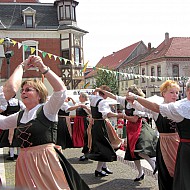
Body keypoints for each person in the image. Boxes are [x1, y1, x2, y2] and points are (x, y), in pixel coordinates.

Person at [0, 55, 89, 190]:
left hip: (45, 161)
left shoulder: (47, 109)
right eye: (22, 90)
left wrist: (43, 68)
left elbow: (60, 91)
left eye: (28, 90)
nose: (23, 92)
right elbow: (2, 123)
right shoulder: (19, 116)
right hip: (24, 163)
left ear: (39, 94)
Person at [126, 80, 190, 190]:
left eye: (177, 92)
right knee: (167, 174)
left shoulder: (181, 106)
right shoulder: (173, 107)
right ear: (163, 93)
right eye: (171, 92)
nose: (175, 95)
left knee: (181, 173)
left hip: (179, 142)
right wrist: (135, 100)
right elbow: (148, 107)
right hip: (166, 144)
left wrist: (136, 98)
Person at [96, 85, 158, 181]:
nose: (126, 95)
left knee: (141, 150)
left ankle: (155, 167)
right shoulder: (125, 100)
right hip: (131, 129)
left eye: (128, 93)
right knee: (133, 152)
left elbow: (134, 119)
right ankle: (140, 173)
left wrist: (123, 116)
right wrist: (100, 90)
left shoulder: (138, 104)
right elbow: (112, 96)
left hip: (140, 127)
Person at [87, 85, 124, 177]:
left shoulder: (93, 98)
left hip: (95, 124)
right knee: (105, 147)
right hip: (101, 125)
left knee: (104, 145)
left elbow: (91, 95)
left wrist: (96, 90)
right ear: (105, 94)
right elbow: (107, 114)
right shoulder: (102, 102)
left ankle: (104, 167)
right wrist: (119, 115)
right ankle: (98, 170)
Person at [0, 94, 25, 161]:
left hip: (9, 122)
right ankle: (19, 155)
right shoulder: (19, 101)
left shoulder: (6, 102)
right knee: (17, 138)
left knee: (9, 139)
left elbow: (3, 109)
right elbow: (24, 109)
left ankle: (11, 155)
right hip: (16, 122)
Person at [72, 92, 91, 161]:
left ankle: (86, 153)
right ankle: (86, 152)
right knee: (82, 136)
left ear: (83, 97)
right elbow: (75, 104)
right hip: (79, 121)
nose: (79, 98)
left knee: (85, 136)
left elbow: (90, 112)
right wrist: (71, 99)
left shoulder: (87, 104)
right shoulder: (81, 104)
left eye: (80, 97)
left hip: (83, 121)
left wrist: (85, 107)